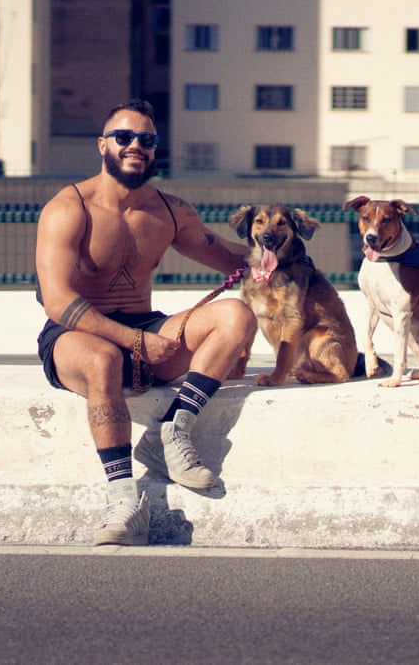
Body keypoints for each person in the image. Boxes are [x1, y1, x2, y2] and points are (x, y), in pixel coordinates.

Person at [35, 98, 257, 546]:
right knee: (102, 361)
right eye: (124, 137)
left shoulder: (169, 211)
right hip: (76, 338)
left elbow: (228, 256)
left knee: (235, 314)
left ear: (154, 150)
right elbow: (58, 302)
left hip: (146, 329)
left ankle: (171, 430)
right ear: (103, 145)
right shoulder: (68, 207)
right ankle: (122, 500)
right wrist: (135, 342)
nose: (136, 145)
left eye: (147, 139)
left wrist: (276, 254)